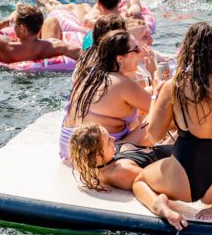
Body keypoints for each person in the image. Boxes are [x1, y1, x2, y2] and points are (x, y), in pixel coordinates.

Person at [133, 23, 212, 227]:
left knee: (140, 181)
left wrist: (155, 97)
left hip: (182, 176)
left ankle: (160, 205)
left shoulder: (174, 85)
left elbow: (153, 135)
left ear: (188, 48)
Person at [60, 30, 157, 162]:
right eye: (136, 49)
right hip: (93, 156)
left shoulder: (91, 73)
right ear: (120, 59)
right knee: (155, 118)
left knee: (146, 102)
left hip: (68, 150)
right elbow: (159, 108)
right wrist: (154, 73)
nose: (141, 52)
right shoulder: (123, 84)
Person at [69, 123, 173, 191]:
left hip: (163, 149)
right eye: (108, 140)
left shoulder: (96, 164)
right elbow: (162, 183)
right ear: (98, 155)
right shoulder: (121, 172)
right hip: (177, 158)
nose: (113, 138)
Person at [0, 3, 81, 64]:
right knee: (52, 20)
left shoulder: (5, 45)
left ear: (22, 29)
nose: (13, 26)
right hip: (42, 52)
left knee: (51, 21)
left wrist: (6, 22)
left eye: (14, 24)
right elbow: (84, 55)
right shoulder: (53, 46)